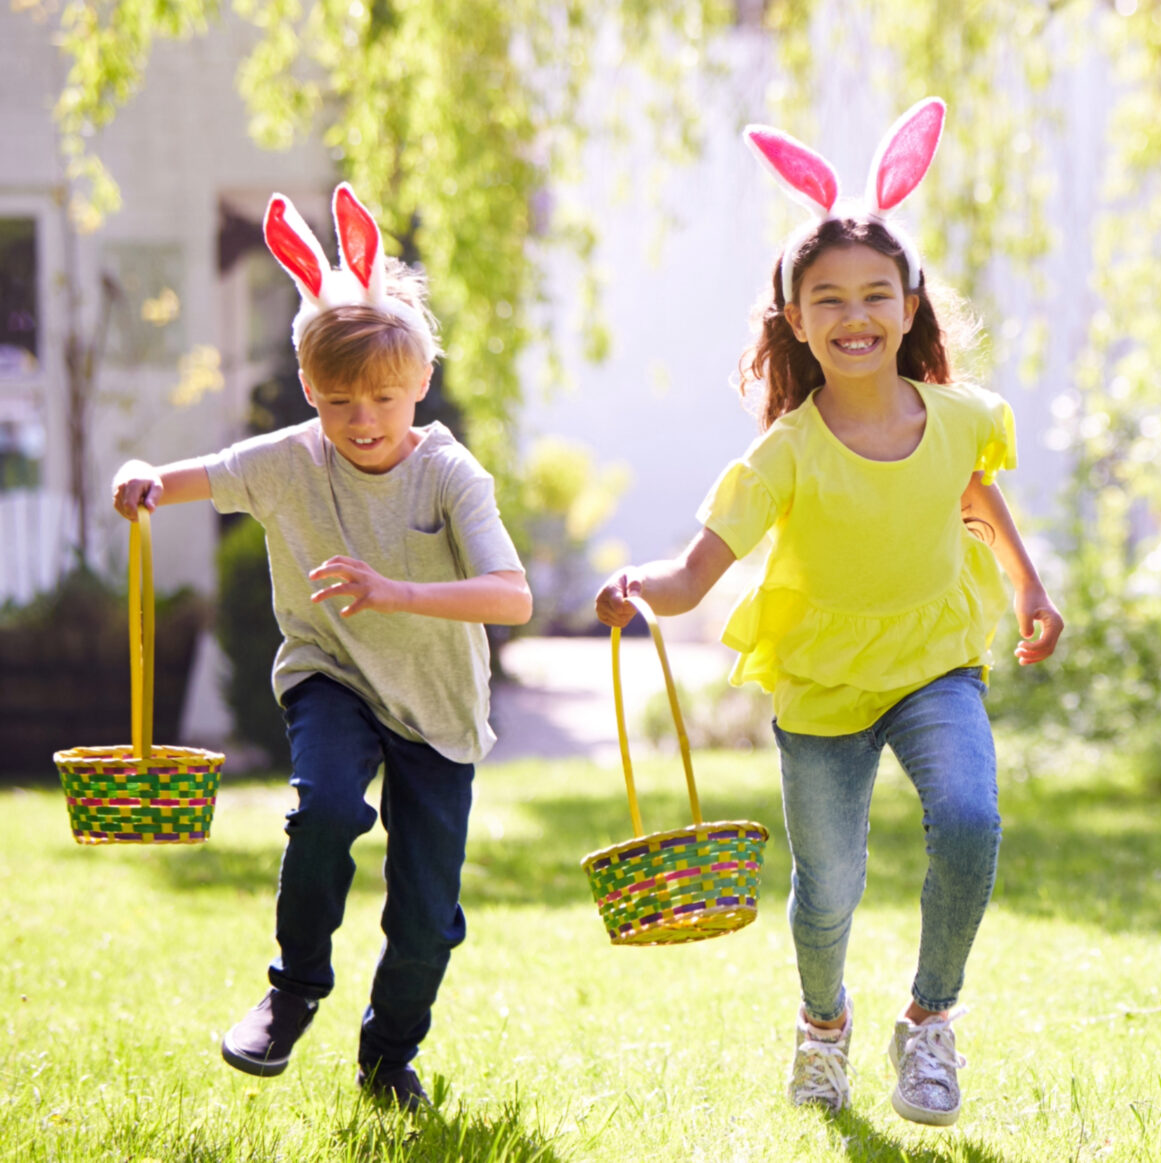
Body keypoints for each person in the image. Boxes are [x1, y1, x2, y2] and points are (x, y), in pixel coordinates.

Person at [593, 102, 1061, 1126]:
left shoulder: (962, 416)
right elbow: (697, 567)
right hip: (820, 683)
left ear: (908, 303)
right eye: (828, 299)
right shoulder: (784, 452)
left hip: (934, 656)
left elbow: (974, 494)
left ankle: (929, 1019)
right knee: (827, 890)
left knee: (971, 818)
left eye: (875, 294)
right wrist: (644, 590)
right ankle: (822, 1025)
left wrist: (1028, 586)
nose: (856, 314)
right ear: (795, 320)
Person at [111, 185, 531, 1111]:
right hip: (330, 673)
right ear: (311, 389)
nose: (363, 419)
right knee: (327, 808)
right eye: (340, 400)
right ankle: (293, 988)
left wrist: (398, 591)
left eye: (383, 396)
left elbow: (513, 594)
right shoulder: (289, 458)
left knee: (427, 920)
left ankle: (388, 1055)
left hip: (438, 709)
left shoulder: (450, 473)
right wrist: (145, 478)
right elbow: (203, 477)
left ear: (419, 380)